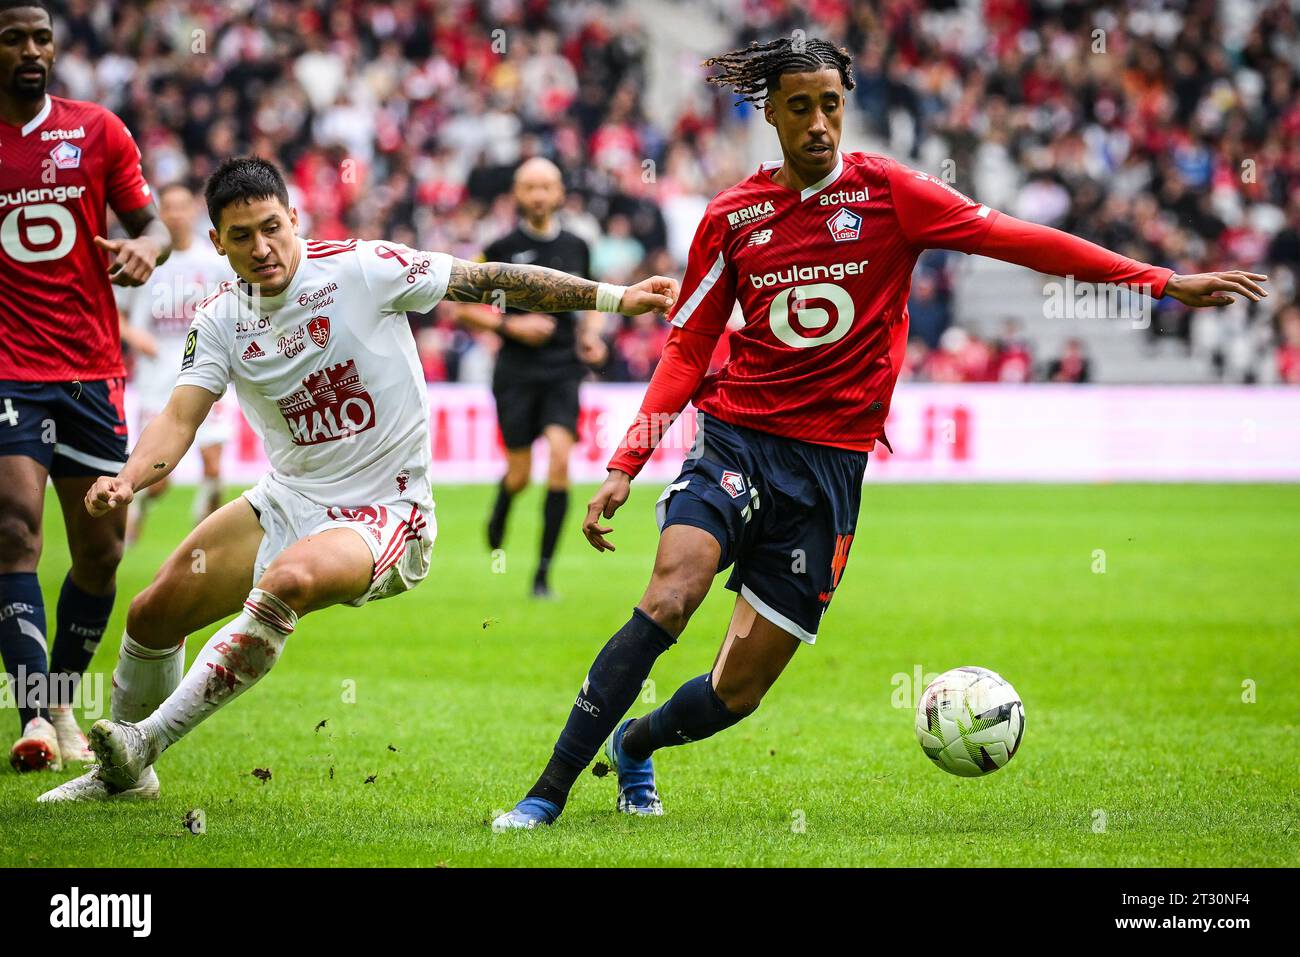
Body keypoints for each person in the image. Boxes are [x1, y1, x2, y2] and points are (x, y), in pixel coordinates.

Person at [493, 36, 1268, 828]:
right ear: (771, 113)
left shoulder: (893, 194)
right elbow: (689, 346)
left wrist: (1160, 281)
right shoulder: (732, 217)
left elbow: (1017, 238)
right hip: (735, 439)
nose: (821, 123)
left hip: (828, 471)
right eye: (801, 106)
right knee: (671, 592)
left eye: (832, 103)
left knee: (739, 690)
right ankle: (546, 792)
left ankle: (636, 744)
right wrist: (628, 460)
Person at [38, 156, 676, 802]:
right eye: (241, 237)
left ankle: (145, 740)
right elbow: (178, 420)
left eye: (271, 228)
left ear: (294, 218)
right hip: (288, 499)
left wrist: (614, 298)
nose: (261, 249)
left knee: (287, 583)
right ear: (216, 244)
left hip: (385, 512)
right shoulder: (220, 321)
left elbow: (487, 280)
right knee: (152, 612)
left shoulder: (363, 268)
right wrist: (127, 479)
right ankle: (122, 778)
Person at [0, 0, 170, 772]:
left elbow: (155, 226)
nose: (31, 50)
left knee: (100, 550)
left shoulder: (97, 130)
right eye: (13, 39)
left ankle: (62, 696)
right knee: (13, 528)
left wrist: (145, 250)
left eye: (40, 37)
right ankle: (33, 712)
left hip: (91, 369)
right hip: (7, 369)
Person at [453, 157, 608, 598]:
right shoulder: (499, 247)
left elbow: (593, 302)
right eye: (530, 187)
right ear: (517, 195)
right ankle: (503, 503)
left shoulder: (578, 245)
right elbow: (461, 305)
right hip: (516, 372)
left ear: (559, 193)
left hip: (562, 370)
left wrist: (592, 338)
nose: (539, 195)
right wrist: (510, 326)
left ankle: (542, 576)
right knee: (520, 474)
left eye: (546, 187)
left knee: (561, 460)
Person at [118, 182, 232, 546]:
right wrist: (138, 338)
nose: (177, 215)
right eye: (169, 208)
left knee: (214, 466)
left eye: (184, 207)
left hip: (205, 375)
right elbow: (114, 316)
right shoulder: (144, 261)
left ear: (195, 211)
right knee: (157, 479)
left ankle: (203, 540)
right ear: (159, 214)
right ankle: (138, 510)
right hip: (156, 382)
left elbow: (236, 312)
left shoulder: (214, 264)